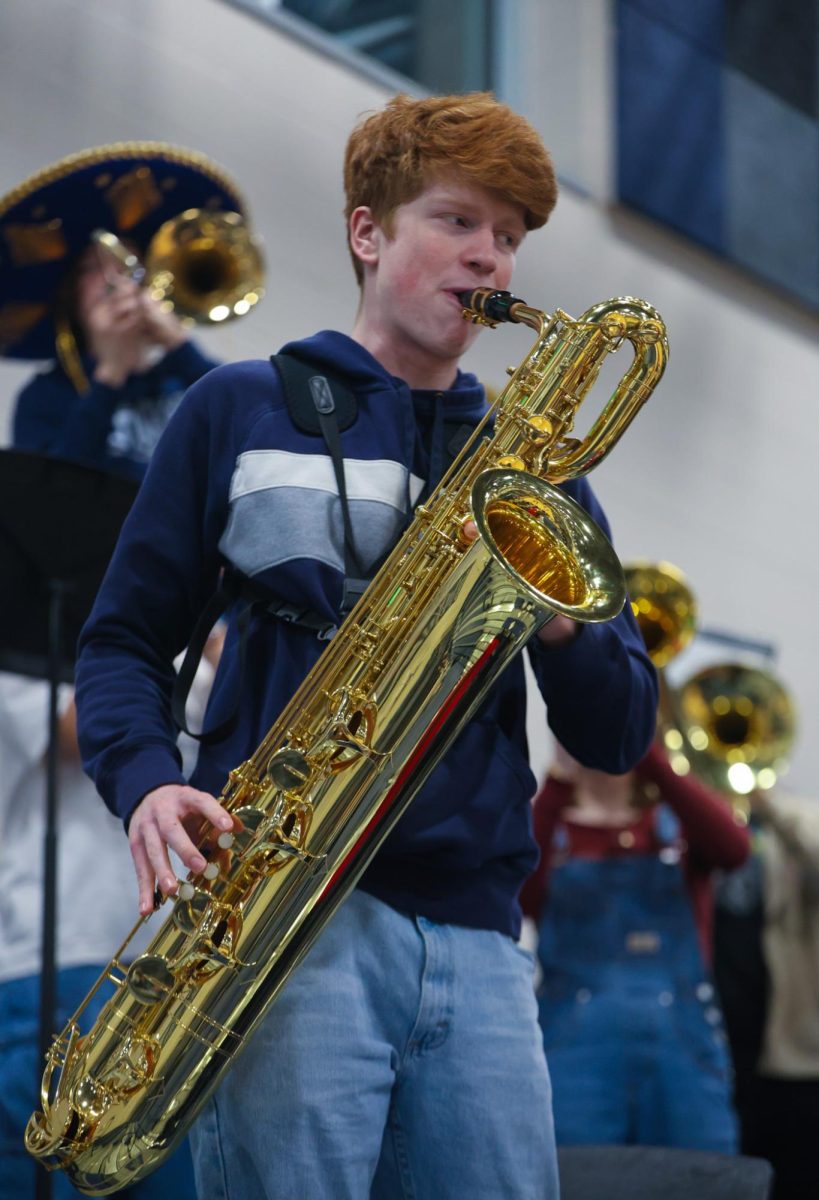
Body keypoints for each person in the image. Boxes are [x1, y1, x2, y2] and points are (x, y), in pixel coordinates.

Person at [74, 92, 659, 1200]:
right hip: (285, 927)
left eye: (511, 235)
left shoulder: (535, 463)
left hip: (483, 944)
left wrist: (555, 611)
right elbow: (122, 644)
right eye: (457, 220)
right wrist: (146, 785)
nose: (489, 256)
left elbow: (619, 732)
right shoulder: (235, 408)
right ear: (367, 231)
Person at [521, 739, 750, 1153]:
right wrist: (556, 784)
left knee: (700, 1178)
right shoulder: (551, 826)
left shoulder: (676, 826)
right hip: (575, 1057)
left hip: (682, 1053)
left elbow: (734, 849)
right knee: (576, 1179)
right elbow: (515, 893)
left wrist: (651, 759)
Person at [0, 142, 257, 480]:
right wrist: (109, 376)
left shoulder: (184, 381)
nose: (117, 276)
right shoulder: (45, 396)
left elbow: (254, 431)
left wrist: (178, 345)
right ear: (71, 295)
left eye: (132, 261)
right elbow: (50, 499)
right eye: (95, 267)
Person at [713, 782, 819, 1199]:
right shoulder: (689, 825)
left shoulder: (789, 827)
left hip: (789, 1060)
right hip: (719, 1050)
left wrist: (769, 805)